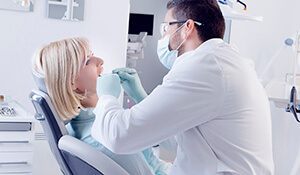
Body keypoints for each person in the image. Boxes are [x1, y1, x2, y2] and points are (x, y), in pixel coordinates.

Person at [91, 0, 274, 174]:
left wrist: (106, 97)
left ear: (187, 27)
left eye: (166, 27)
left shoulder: (203, 66)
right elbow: (179, 137)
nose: (163, 37)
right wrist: (142, 98)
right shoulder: (223, 61)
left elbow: (120, 137)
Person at [32, 37, 171, 175]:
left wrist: (139, 97)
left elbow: (151, 161)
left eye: (92, 54)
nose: (100, 61)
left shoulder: (84, 124)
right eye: (87, 61)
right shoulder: (104, 137)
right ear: (71, 83)